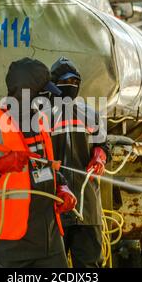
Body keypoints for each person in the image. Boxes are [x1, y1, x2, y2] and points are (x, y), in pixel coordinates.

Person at [0, 57, 77, 268]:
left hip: (48, 243)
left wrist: (62, 186)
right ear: (27, 93)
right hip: (6, 247)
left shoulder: (39, 122)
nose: (48, 98)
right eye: (43, 91)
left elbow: (47, 166)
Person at [49, 56, 110, 268]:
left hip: (88, 211)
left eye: (75, 82)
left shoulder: (90, 115)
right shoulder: (40, 117)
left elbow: (103, 145)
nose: (71, 86)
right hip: (53, 210)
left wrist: (99, 157)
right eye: (65, 82)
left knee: (89, 267)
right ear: (52, 85)